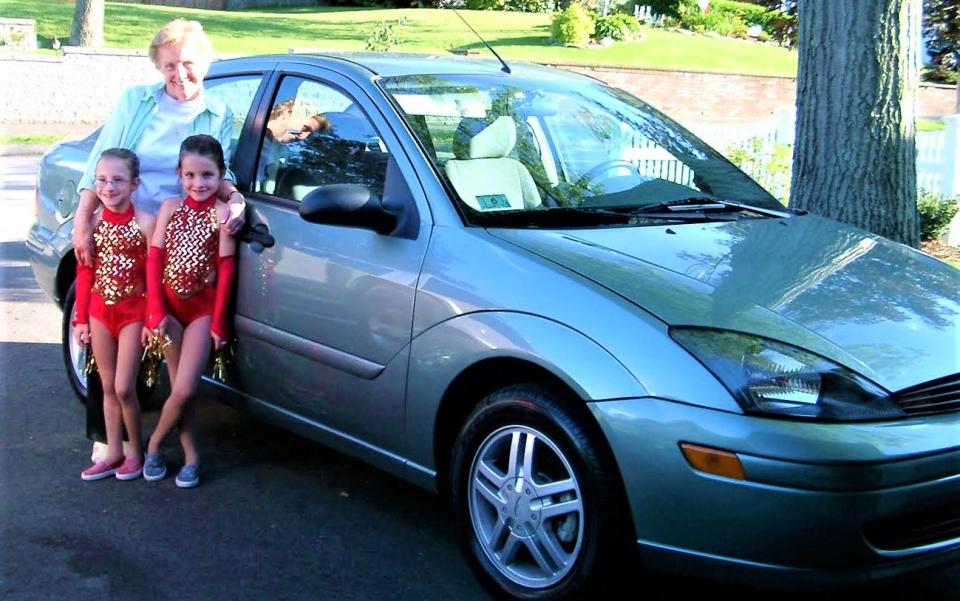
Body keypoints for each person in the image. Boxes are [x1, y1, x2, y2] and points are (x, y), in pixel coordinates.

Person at [69, 18, 245, 463]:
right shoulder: (136, 101)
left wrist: (234, 201)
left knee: (147, 327)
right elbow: (99, 163)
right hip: (121, 226)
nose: (179, 73)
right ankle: (112, 439)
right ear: (157, 67)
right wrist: (83, 221)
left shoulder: (219, 113)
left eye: (187, 63)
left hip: (174, 237)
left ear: (203, 63)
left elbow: (223, 173)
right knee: (110, 323)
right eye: (169, 65)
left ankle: (153, 444)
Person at [143, 135, 236, 489]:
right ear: (179, 175)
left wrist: (219, 323)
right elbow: (154, 261)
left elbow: (226, 269)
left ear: (221, 175)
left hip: (201, 311)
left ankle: (153, 444)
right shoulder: (168, 208)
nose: (199, 183)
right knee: (184, 390)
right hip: (169, 310)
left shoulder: (222, 214)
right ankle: (192, 455)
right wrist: (155, 311)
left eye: (208, 175)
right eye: (191, 175)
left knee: (183, 389)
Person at [73, 148, 154, 481]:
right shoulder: (93, 222)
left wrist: (151, 319)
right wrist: (79, 318)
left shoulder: (145, 223)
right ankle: (113, 451)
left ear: (135, 184)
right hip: (98, 312)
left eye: (118, 180)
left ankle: (136, 452)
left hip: (133, 313)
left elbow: (153, 277)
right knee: (107, 386)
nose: (109, 187)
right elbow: (85, 272)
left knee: (124, 387)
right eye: (102, 180)